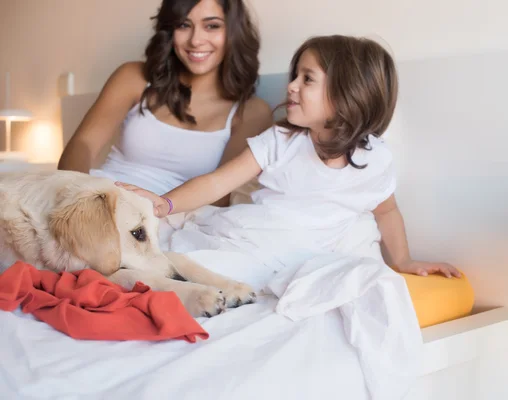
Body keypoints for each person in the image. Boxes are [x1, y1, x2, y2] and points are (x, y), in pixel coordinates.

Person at [117, 34, 461, 279]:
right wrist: (165, 204)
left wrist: (403, 261)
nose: (291, 85)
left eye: (306, 79)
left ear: (347, 95)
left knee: (214, 272)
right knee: (190, 262)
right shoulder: (281, 140)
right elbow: (218, 181)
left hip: (304, 251)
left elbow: (387, 211)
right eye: (294, 76)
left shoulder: (376, 160)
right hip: (257, 233)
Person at [58, 0, 273, 207]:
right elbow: (82, 144)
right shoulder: (133, 77)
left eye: (212, 26)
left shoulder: (252, 112)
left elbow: (219, 198)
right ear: (170, 30)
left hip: (173, 219)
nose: (196, 40)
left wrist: (153, 212)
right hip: (99, 199)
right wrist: (79, 198)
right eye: (183, 25)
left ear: (234, 31)